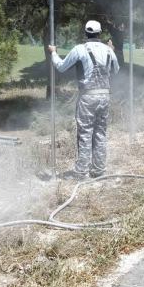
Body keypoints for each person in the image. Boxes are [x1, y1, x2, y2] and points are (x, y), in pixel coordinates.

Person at [48, 20, 119, 180]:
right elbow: (116, 70)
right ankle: (99, 170)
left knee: (85, 133)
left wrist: (53, 52)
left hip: (88, 96)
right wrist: (111, 51)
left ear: (85, 33)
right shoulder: (109, 51)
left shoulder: (79, 49)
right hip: (105, 96)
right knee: (100, 133)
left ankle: (81, 173)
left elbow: (60, 66)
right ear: (99, 33)